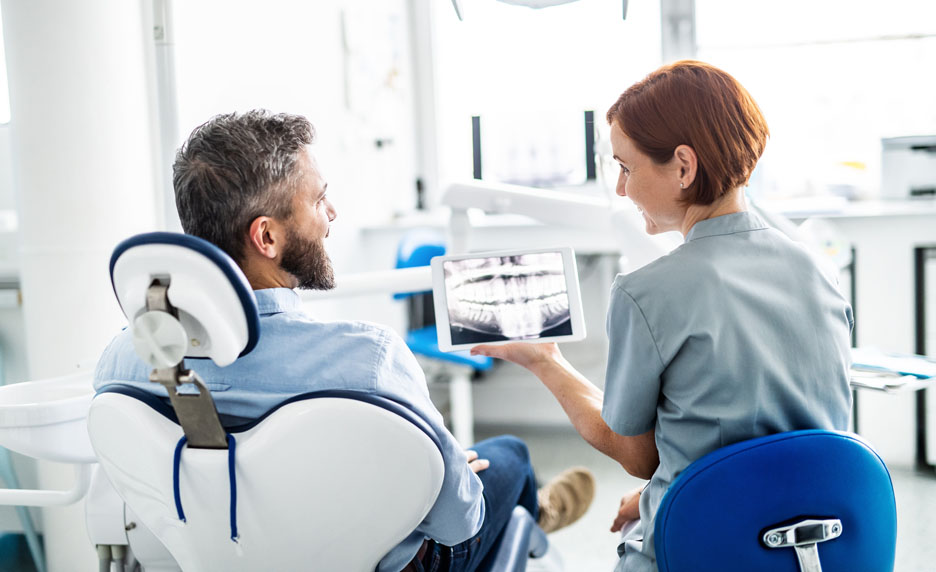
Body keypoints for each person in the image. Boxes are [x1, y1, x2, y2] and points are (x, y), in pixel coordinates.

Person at [93, 110, 595, 572]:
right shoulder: (369, 361)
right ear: (266, 238)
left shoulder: (122, 363)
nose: (332, 212)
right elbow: (456, 523)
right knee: (508, 458)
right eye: (317, 199)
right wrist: (447, 473)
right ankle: (536, 516)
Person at [471, 60, 853, 572]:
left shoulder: (646, 293)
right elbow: (772, 438)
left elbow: (637, 456)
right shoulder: (818, 270)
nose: (621, 191)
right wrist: (665, 494)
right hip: (812, 546)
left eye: (626, 168)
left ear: (683, 166)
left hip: (708, 549)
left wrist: (546, 361)